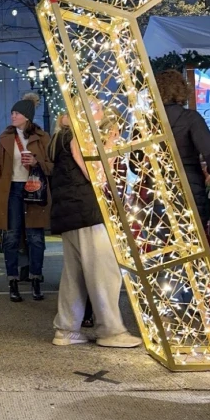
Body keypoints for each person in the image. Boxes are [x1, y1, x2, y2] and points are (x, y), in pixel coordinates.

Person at [49, 113, 141, 348]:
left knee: (75, 275)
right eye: (95, 107)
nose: (101, 112)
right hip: (88, 211)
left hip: (72, 214)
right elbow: (97, 175)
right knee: (104, 272)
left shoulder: (60, 137)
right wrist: (110, 143)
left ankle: (66, 329)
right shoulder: (79, 137)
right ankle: (110, 330)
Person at [0, 93, 52, 302]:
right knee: (11, 236)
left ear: (27, 116)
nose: (12, 116)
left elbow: (52, 166)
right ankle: (13, 281)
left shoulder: (42, 138)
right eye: (12, 113)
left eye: (16, 113)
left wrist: (36, 163)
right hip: (11, 190)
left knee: (35, 237)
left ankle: (36, 280)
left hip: (34, 190)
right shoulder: (6, 138)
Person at [155, 70, 210, 227]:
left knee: (164, 246)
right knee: (196, 246)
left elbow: (135, 165)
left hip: (156, 192)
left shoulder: (147, 121)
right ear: (181, 90)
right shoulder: (191, 118)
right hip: (190, 189)